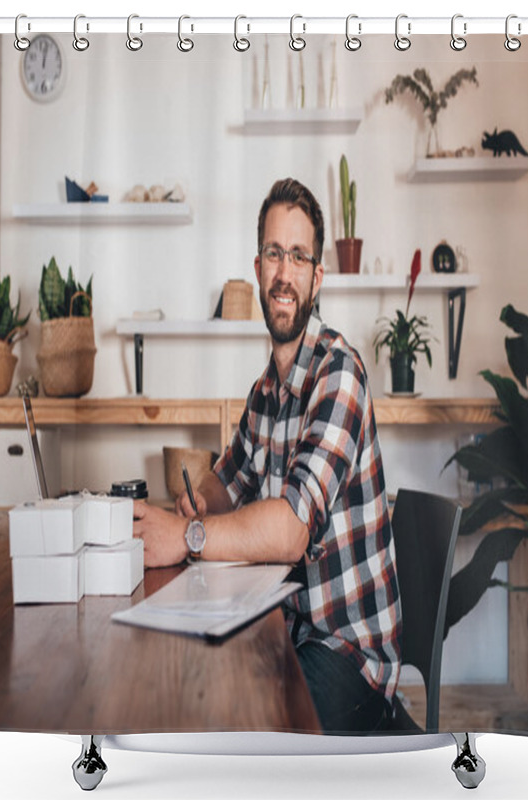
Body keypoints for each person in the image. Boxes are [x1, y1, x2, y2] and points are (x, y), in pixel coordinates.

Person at [133, 178, 402, 733]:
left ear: (316, 277)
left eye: (299, 257)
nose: (284, 272)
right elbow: (223, 483)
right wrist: (193, 500)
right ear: (257, 268)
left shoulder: (339, 375)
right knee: (190, 689)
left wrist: (186, 537)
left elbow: (290, 531)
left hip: (348, 653)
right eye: (275, 254)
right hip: (285, 624)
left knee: (239, 722)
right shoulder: (265, 390)